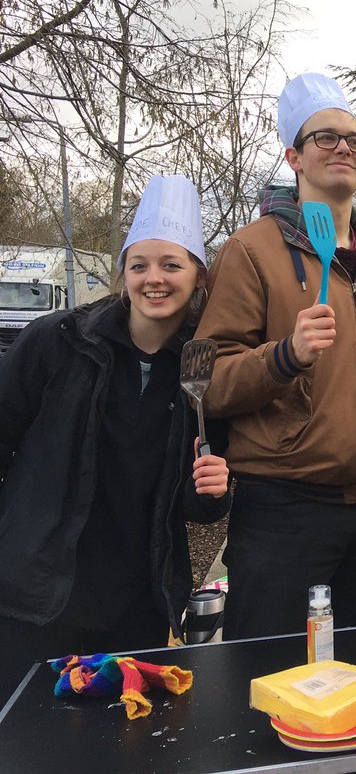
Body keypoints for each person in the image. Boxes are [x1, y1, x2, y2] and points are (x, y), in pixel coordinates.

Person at [196, 72, 356, 641]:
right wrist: (285, 356)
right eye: (325, 138)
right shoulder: (249, 252)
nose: (344, 147)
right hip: (287, 513)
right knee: (272, 679)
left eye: (355, 139)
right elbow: (211, 381)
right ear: (293, 157)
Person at [0, 175, 230, 702]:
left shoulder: (202, 370)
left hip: (138, 605)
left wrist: (215, 491)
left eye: (172, 265)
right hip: (35, 598)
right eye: (140, 265)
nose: (155, 279)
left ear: (197, 276)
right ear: (123, 271)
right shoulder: (57, 344)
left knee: (121, 746)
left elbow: (199, 509)